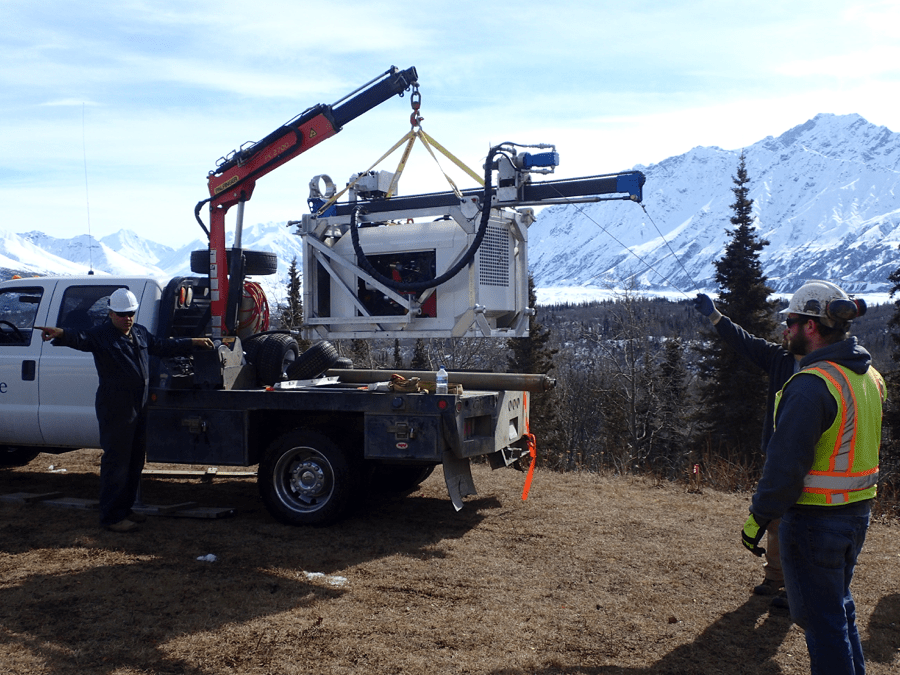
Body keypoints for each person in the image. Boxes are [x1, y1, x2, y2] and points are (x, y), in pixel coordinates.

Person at [740, 280, 884, 675]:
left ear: (811, 326)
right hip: (856, 515)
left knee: (821, 624)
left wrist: (758, 518)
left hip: (814, 523)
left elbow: (785, 468)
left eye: (790, 322)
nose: (785, 330)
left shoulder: (810, 386)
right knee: (838, 609)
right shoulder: (869, 377)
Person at [37, 288, 214, 533]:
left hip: (138, 405)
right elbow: (81, 338)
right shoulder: (101, 335)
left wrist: (192, 343)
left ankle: (125, 509)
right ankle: (111, 517)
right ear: (110, 313)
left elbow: (161, 345)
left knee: (134, 461)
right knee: (117, 462)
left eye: (130, 313)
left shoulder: (139, 333)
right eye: (121, 314)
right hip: (116, 407)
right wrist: (61, 333)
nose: (127, 318)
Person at [693, 292, 798, 606]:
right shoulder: (780, 359)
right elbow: (745, 342)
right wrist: (715, 316)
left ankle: (797, 588)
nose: (784, 331)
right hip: (779, 452)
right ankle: (775, 578)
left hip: (812, 459)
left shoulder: (827, 369)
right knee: (777, 518)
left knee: (803, 522)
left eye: (790, 325)